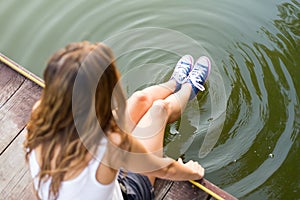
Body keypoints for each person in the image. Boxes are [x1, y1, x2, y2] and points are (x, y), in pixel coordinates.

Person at [24, 41, 211, 200]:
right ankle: (189, 87)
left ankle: (174, 83)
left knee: (139, 99)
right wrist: (193, 171)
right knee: (158, 110)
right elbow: (165, 169)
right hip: (127, 192)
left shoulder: (39, 115)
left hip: (99, 173)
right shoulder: (109, 142)